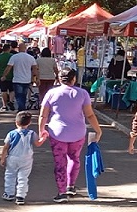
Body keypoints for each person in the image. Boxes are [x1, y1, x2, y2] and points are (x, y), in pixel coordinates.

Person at [40, 68, 102, 203]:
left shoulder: (51, 93)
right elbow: (89, 114)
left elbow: (43, 114)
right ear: (74, 79)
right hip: (78, 132)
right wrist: (98, 130)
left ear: (60, 78)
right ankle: (71, 186)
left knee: (59, 162)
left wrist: (41, 130)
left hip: (57, 132)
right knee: (74, 158)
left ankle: (61, 192)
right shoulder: (82, 94)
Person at [0, 111, 45, 205]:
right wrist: (44, 137)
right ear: (29, 123)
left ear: (16, 122)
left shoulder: (11, 133)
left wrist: (3, 158)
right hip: (27, 159)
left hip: (12, 157)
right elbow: (37, 143)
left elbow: (6, 147)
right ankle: (20, 196)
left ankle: (9, 193)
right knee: (23, 177)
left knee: (10, 175)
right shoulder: (32, 134)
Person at [3, 44, 38, 112]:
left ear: (19, 48)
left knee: (18, 95)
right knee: (23, 95)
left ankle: (21, 108)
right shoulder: (31, 57)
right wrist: (35, 79)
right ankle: (22, 107)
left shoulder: (14, 57)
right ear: (25, 49)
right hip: (27, 79)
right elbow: (35, 69)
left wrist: (4, 75)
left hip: (17, 79)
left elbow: (8, 68)